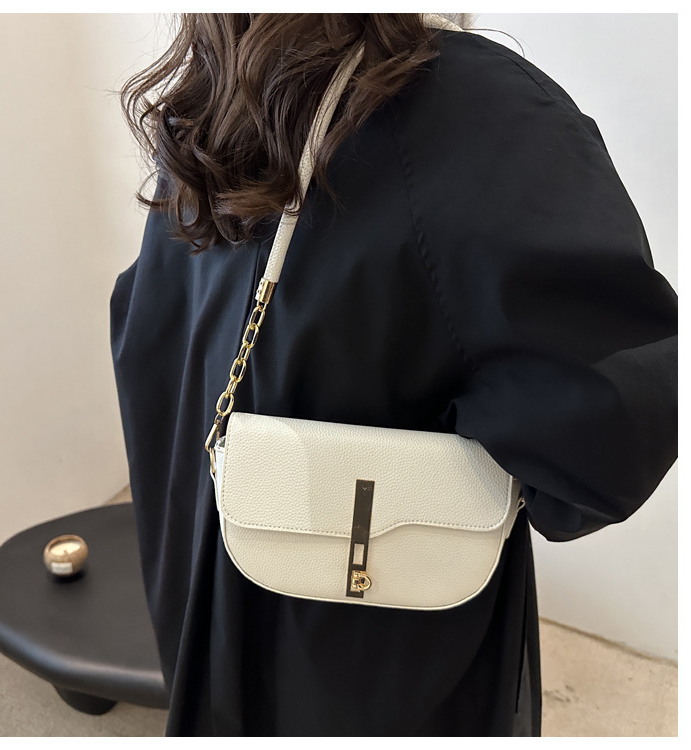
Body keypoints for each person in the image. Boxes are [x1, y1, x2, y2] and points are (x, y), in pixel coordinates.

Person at [111, 13, 678, 736]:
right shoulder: (473, 113)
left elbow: (143, 332)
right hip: (378, 653)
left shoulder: (210, 88)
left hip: (198, 585)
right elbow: (610, 439)